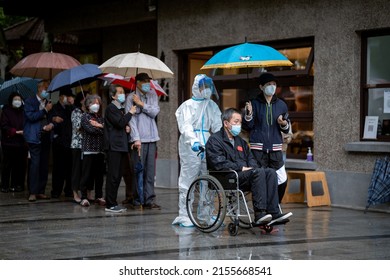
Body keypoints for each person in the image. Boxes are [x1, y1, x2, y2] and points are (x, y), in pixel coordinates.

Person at [206, 108, 292, 224]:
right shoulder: (215, 140)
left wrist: (252, 167)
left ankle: (274, 212)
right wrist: (241, 168)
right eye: (236, 122)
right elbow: (219, 163)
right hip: (227, 176)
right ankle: (260, 213)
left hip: (244, 175)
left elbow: (250, 157)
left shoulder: (240, 141)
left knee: (270, 172)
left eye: (240, 122)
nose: (239, 125)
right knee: (258, 173)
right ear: (226, 123)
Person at [172, 74, 222, 227]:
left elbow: (218, 126)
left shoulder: (212, 105)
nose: (206, 90)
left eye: (208, 87)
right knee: (188, 178)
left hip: (208, 142)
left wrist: (221, 142)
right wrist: (193, 140)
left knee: (207, 179)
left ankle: (206, 214)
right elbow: (186, 126)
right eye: (203, 87)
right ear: (196, 88)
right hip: (190, 145)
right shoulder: (187, 106)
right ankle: (184, 214)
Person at [242, 73, 291, 203]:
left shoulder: (281, 105)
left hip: (275, 149)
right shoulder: (253, 103)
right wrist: (248, 114)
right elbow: (248, 126)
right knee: (261, 180)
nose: (272, 87)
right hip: (258, 149)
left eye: (274, 84)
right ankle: (262, 209)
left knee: (282, 179)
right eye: (269, 84)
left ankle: (275, 205)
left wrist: (284, 124)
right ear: (261, 87)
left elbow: (286, 128)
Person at [125, 72, 161, 210]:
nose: (147, 83)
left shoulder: (152, 94)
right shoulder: (130, 97)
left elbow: (154, 112)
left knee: (150, 170)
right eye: (145, 81)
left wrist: (142, 104)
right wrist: (136, 138)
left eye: (148, 81)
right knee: (138, 169)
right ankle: (137, 197)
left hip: (152, 137)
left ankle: (149, 199)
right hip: (139, 139)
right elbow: (131, 119)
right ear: (138, 82)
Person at [104, 84, 136, 213]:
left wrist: (127, 128)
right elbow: (119, 123)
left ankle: (113, 202)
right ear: (113, 96)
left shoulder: (120, 109)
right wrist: (130, 113)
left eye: (123, 92)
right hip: (114, 147)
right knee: (113, 175)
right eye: (120, 92)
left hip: (121, 146)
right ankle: (110, 203)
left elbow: (121, 125)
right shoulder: (111, 108)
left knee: (118, 176)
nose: (123, 94)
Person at [24, 79, 53, 202]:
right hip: (34, 137)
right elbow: (31, 117)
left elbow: (51, 118)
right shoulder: (30, 101)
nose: (46, 91)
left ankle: (41, 190)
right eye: (45, 88)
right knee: (35, 165)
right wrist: (45, 110)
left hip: (46, 136)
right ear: (39, 88)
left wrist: (52, 123)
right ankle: (33, 191)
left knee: (44, 165)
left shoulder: (49, 102)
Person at [78, 94, 105, 207]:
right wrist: (100, 127)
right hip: (88, 150)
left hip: (100, 150)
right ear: (88, 105)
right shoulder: (85, 117)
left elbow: (106, 131)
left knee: (99, 175)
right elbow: (90, 130)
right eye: (94, 103)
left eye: (98, 103)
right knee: (86, 175)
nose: (96, 105)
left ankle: (99, 196)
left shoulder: (100, 118)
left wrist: (99, 126)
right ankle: (83, 197)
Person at [0, 92, 28, 193]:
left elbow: (27, 123)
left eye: (19, 99)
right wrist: (15, 132)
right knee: (7, 165)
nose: (17, 101)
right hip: (9, 143)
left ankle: (18, 185)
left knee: (20, 165)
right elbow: (3, 125)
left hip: (21, 143)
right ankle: (5, 185)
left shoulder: (24, 111)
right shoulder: (6, 111)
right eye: (15, 99)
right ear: (11, 100)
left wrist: (25, 131)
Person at [49, 88, 74, 199]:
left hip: (70, 142)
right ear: (61, 97)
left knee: (70, 168)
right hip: (59, 142)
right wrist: (54, 119)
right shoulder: (54, 108)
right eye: (66, 96)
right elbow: (49, 118)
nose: (68, 99)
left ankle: (69, 190)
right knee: (58, 168)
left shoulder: (71, 108)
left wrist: (71, 104)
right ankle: (56, 190)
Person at [70, 91, 86, 203]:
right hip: (77, 145)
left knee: (85, 170)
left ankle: (85, 192)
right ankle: (75, 193)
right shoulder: (76, 112)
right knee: (76, 169)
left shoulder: (88, 112)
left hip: (86, 145)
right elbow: (77, 127)